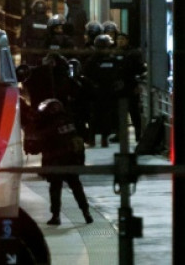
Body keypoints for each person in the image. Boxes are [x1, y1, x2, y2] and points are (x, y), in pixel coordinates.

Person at [34, 98, 93, 226]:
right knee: (76, 187)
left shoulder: (48, 127)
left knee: (55, 188)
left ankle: (56, 216)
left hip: (56, 161)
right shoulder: (70, 120)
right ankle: (86, 213)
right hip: (72, 160)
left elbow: (37, 146)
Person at [83, 34, 120, 148]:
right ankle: (93, 138)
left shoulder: (111, 59)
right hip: (97, 92)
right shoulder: (93, 60)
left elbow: (117, 74)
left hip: (107, 91)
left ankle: (102, 138)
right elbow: (86, 76)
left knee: (104, 116)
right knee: (96, 116)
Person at [115, 32, 147, 142]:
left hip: (131, 85)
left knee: (134, 111)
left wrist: (138, 84)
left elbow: (140, 69)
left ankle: (138, 134)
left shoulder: (134, 53)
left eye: (122, 39)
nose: (120, 41)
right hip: (118, 86)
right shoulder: (113, 52)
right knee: (119, 112)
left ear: (127, 40)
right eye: (118, 39)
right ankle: (119, 135)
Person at [21, 0, 50, 66]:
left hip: (31, 49)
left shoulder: (28, 19)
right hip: (44, 50)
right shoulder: (49, 21)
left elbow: (23, 35)